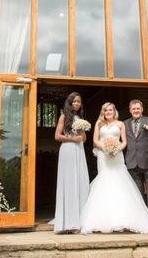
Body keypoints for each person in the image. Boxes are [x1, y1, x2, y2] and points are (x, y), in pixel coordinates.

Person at [80, 102, 148, 234]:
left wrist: (116, 149)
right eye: (106, 110)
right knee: (105, 183)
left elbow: (125, 141)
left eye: (110, 110)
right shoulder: (99, 124)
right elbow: (95, 140)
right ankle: (104, 220)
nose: (108, 112)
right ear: (103, 112)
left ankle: (123, 219)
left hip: (117, 156)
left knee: (120, 183)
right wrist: (105, 149)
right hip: (103, 157)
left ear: (114, 112)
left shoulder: (120, 124)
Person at [52, 92, 90, 233]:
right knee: (69, 182)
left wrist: (82, 132)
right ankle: (68, 222)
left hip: (79, 151)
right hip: (68, 150)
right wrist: (72, 139)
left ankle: (79, 220)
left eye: (79, 102)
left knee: (80, 182)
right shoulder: (63, 116)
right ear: (70, 102)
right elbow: (57, 136)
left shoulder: (80, 118)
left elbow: (84, 139)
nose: (76, 104)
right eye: (74, 101)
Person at [124, 99, 148, 231]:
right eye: (133, 108)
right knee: (137, 194)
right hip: (132, 163)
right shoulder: (125, 124)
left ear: (142, 109)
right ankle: (140, 221)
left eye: (138, 108)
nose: (136, 110)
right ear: (130, 110)